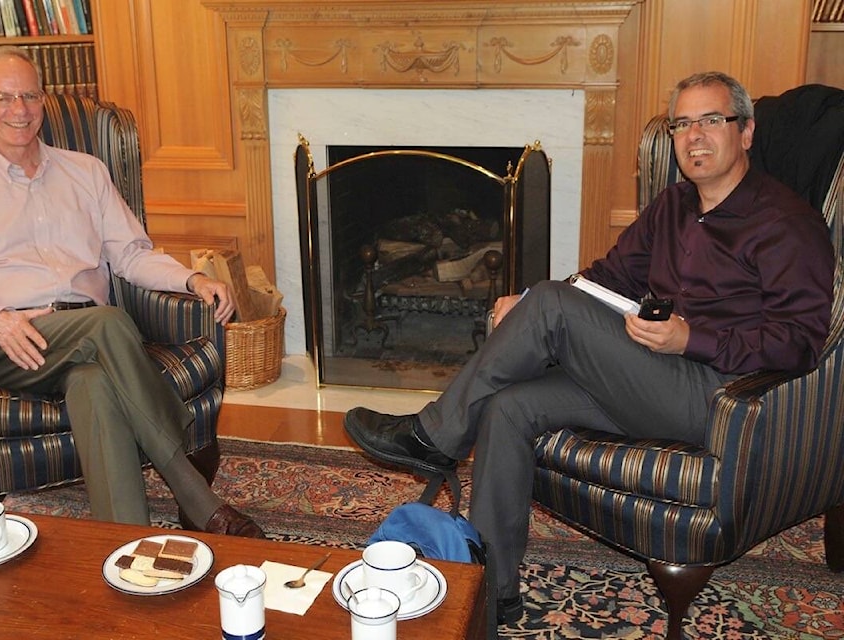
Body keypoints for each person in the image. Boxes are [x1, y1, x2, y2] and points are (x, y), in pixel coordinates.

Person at [343, 70, 835, 624]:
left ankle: (433, 435)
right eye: (682, 123)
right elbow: (608, 279)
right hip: (645, 377)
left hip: (719, 400)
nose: (695, 136)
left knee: (552, 304)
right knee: (510, 406)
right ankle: (492, 593)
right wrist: (526, 304)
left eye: (711, 120)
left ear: (745, 132)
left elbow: (800, 344)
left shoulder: (786, 222)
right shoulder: (672, 206)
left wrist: (693, 337)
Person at [0, 46, 264, 538]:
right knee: (109, 321)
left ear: (44, 100)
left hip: (89, 340)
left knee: (93, 382)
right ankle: (194, 495)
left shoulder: (87, 172)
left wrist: (192, 278)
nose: (20, 109)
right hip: (8, 342)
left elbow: (132, 254)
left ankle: (129, 545)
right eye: (4, 97)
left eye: (30, 94)